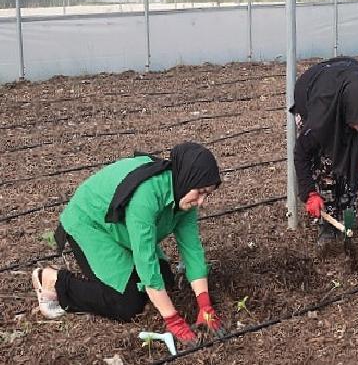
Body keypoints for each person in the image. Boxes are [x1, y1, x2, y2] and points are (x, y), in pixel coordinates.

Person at [32, 142, 226, 344]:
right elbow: (146, 262)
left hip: (122, 227)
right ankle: (52, 281)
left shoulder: (184, 196)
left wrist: (205, 307)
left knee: (165, 281)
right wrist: (173, 320)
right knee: (127, 304)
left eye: (207, 194)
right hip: (91, 223)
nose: (202, 201)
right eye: (200, 191)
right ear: (188, 179)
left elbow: (192, 250)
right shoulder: (147, 196)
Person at [290, 57, 358, 245]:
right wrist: (309, 193)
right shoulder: (319, 120)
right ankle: (327, 222)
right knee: (326, 164)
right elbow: (301, 154)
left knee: (357, 164)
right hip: (314, 92)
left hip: (349, 78)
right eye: (355, 121)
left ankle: (347, 208)